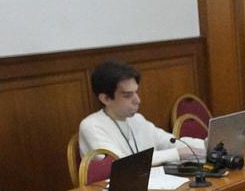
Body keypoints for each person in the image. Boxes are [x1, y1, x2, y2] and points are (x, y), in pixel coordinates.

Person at [77, 60, 205, 167]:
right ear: (105, 99)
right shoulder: (91, 126)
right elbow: (122, 163)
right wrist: (177, 154)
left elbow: (170, 142)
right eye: (128, 95)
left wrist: (207, 145)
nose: (138, 100)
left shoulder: (137, 119)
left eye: (136, 92)